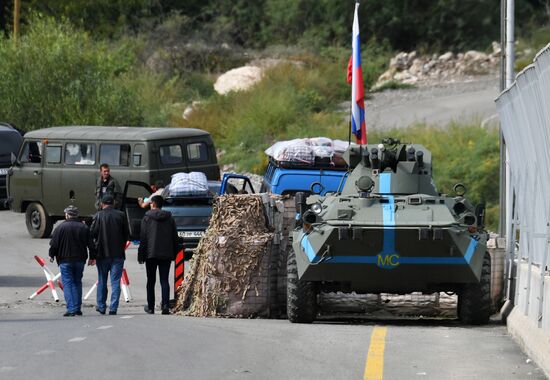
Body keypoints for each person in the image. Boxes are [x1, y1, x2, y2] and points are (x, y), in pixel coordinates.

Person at [48, 205, 95, 317]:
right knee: (77, 282)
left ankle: (71, 309)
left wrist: (51, 255)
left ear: (67, 215)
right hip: (80, 260)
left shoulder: (60, 228)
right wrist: (92, 257)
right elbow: (91, 245)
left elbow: (54, 244)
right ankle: (77, 308)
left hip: (65, 260)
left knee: (68, 284)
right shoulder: (84, 227)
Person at [138, 195, 179, 315]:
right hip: (166, 253)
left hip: (150, 254)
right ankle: (165, 306)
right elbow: (174, 237)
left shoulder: (146, 218)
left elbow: (143, 238)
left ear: (153, 204)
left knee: (151, 281)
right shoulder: (170, 218)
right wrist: (174, 253)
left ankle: (150, 307)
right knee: (164, 280)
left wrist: (141, 254)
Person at [91, 194, 129, 315]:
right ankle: (113, 308)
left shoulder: (98, 216)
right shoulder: (121, 215)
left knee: (102, 280)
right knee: (115, 281)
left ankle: (101, 306)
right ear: (113, 203)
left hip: (102, 254)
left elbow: (92, 233)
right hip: (118, 254)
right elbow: (126, 235)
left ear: (102, 204)